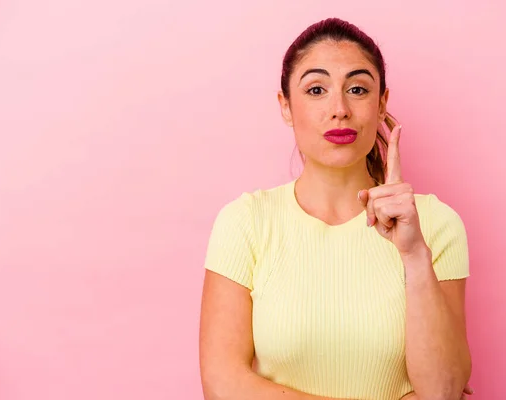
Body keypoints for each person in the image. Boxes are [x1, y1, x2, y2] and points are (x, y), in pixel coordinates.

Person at [199, 17, 474, 400]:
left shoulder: (436, 224)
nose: (339, 108)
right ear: (285, 107)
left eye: (358, 89)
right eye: (316, 89)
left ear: (381, 105)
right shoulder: (245, 222)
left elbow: (443, 390)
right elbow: (222, 384)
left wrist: (413, 255)